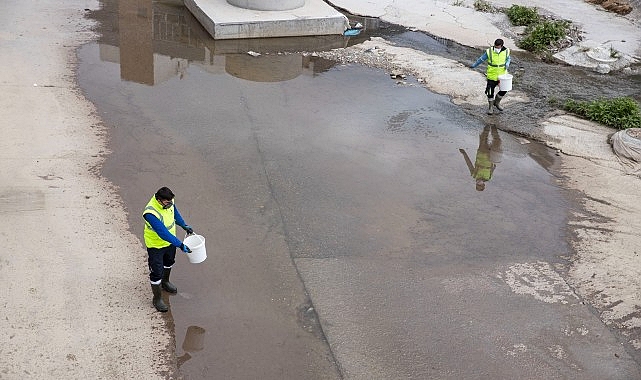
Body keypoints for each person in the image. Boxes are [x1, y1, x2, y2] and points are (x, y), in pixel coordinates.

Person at [142, 187, 195, 312]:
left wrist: (184, 225)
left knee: (169, 262)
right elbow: (163, 233)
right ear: (159, 200)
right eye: (167, 202)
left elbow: (175, 212)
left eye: (171, 201)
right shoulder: (150, 213)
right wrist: (180, 245)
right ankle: (157, 298)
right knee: (156, 272)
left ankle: (165, 282)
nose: (170, 204)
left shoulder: (169, 201)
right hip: (156, 245)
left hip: (170, 243)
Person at [471, 38, 511, 115]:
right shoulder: (489, 51)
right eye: (495, 47)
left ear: (502, 46)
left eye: (498, 47)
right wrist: (474, 65)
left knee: (504, 89)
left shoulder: (506, 51)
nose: (496, 48)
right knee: (490, 91)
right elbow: (481, 59)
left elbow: (508, 58)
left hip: (502, 76)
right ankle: (490, 107)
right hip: (492, 76)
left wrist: (507, 63)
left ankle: (497, 103)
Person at [459, 126, 503, 191]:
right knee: (497, 141)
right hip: (491, 156)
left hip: (482, 152)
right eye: (480, 184)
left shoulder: (474, 174)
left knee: (484, 137)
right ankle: (494, 126)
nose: (478, 182)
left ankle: (487, 124)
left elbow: (469, 163)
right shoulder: (489, 178)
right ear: (483, 184)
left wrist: (464, 153)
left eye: (477, 184)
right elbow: (493, 168)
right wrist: (494, 166)